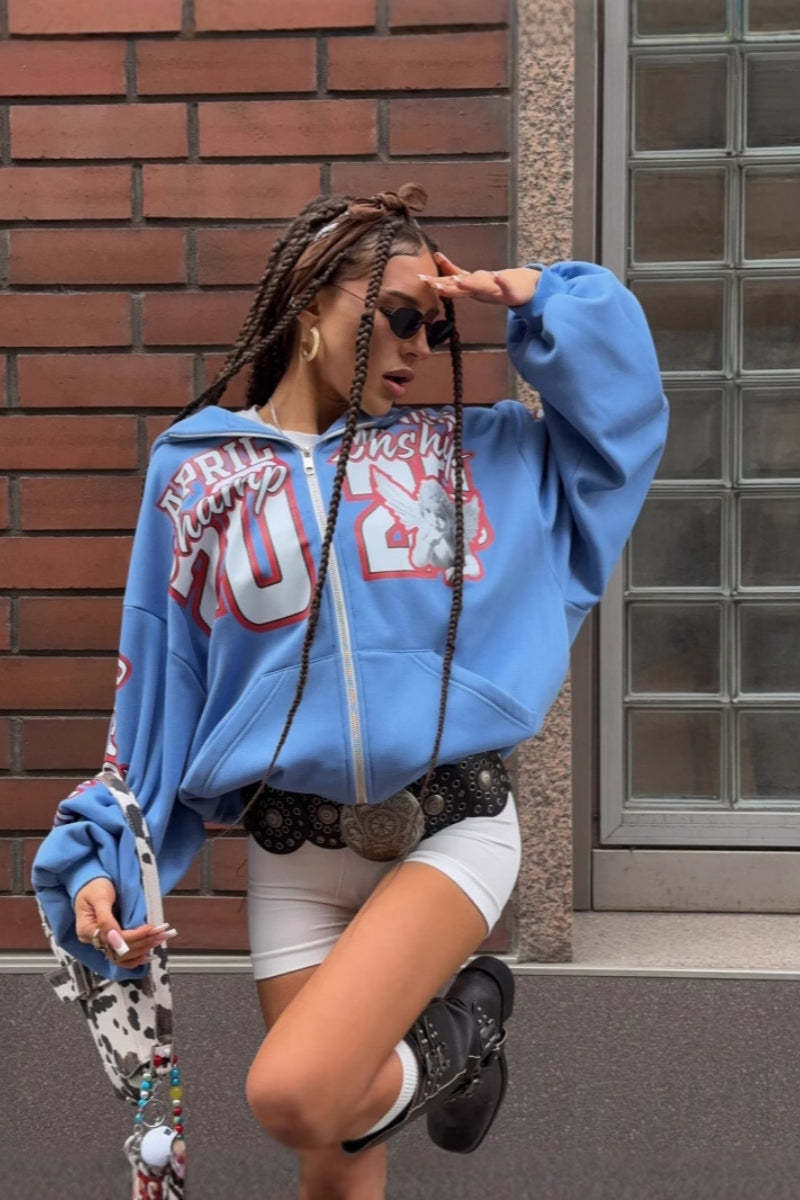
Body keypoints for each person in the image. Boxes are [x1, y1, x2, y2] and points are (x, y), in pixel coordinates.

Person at [31, 183, 669, 1196]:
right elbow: (157, 685)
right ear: (309, 302)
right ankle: (448, 1055)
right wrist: (102, 857)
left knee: (295, 1096)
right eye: (399, 316)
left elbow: (624, 431)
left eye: (436, 328)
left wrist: (545, 298)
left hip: (448, 823)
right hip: (293, 849)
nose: (418, 348)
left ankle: (465, 1030)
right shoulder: (193, 474)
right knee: (334, 1166)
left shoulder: (476, 451)